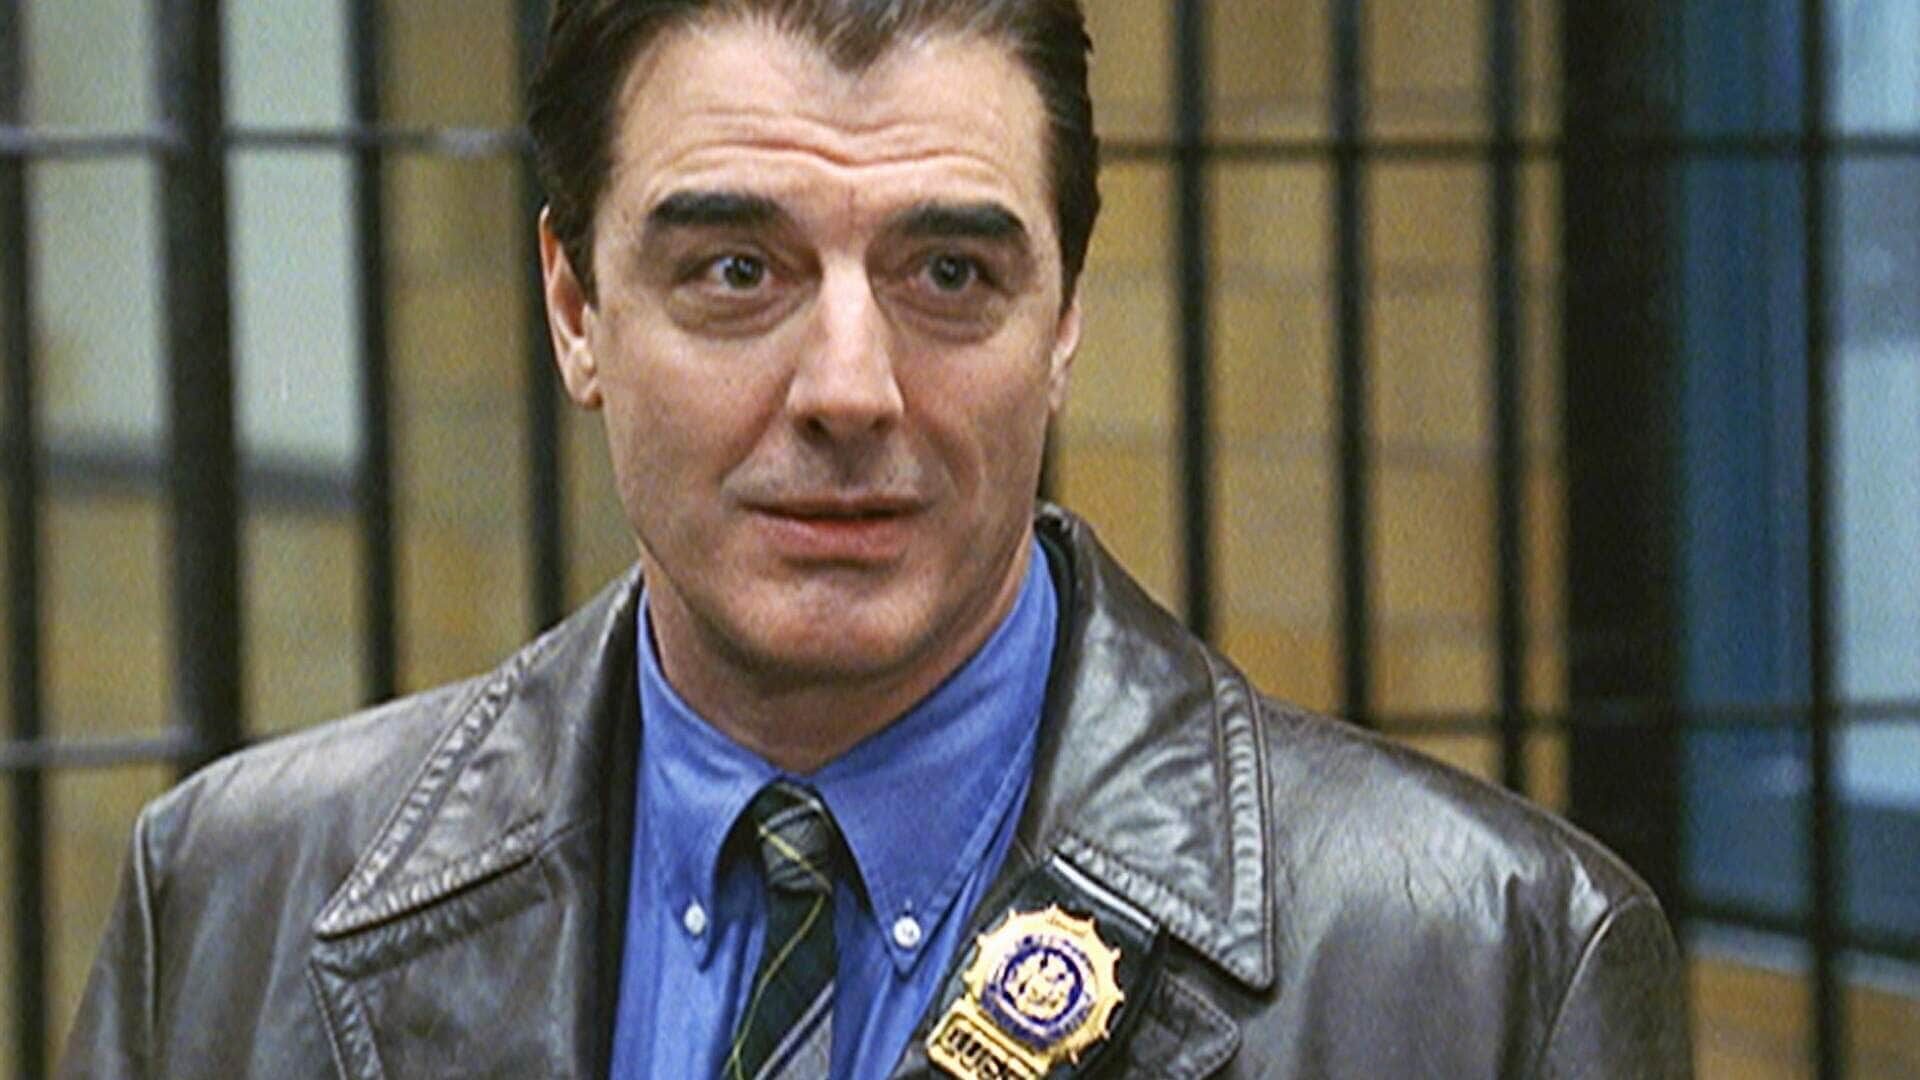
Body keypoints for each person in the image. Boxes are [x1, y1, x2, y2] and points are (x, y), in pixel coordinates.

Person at [62, 1, 1691, 1077]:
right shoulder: (230, 907)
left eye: (949, 276)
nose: (849, 389)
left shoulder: (1488, 975)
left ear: (1064, 320)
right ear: (573, 307)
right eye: (736, 273)